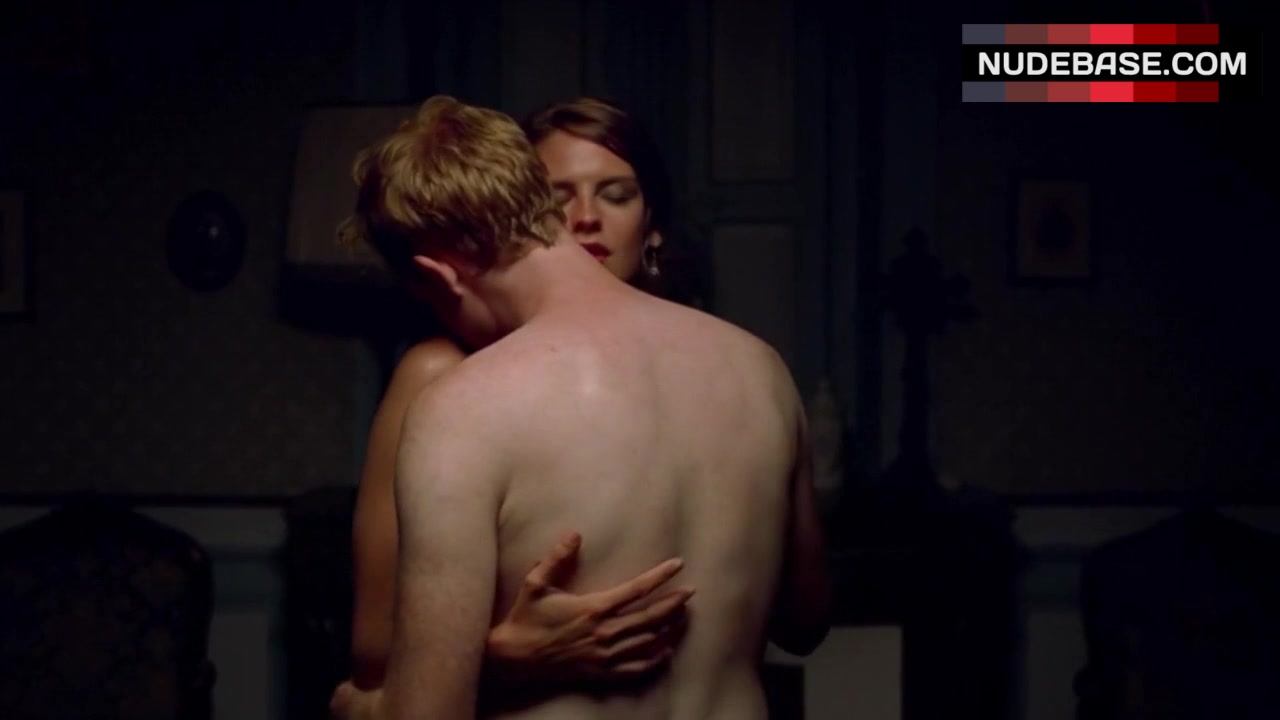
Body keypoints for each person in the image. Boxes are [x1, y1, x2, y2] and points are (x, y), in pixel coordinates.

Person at [332, 95, 829, 720]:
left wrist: (357, 707)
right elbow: (805, 621)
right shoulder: (761, 368)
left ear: (440, 275)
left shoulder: (464, 407)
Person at [346, 97, 696, 694]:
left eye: (615, 195)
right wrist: (504, 658)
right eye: (556, 199)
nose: (585, 218)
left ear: (653, 223)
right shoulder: (441, 376)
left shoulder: (707, 368)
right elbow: (377, 647)